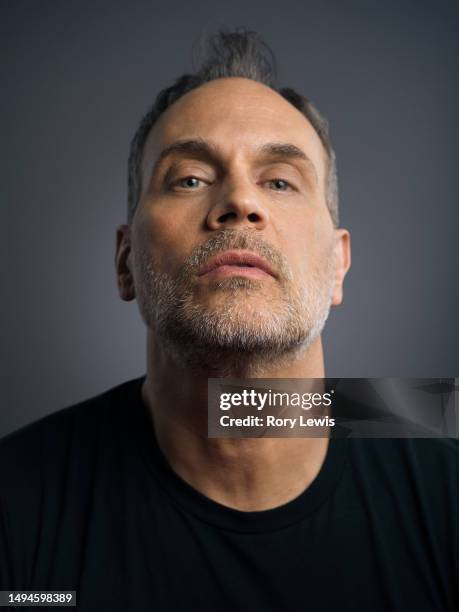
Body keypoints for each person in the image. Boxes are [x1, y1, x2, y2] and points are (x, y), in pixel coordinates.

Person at [0, 29, 457, 612]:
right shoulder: (17, 505)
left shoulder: (444, 487)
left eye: (280, 181)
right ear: (125, 262)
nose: (241, 201)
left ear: (338, 264)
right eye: (189, 178)